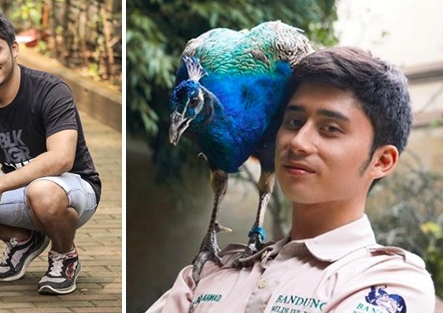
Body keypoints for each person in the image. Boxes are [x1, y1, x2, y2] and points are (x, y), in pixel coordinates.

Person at [147, 47, 436, 313]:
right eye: (294, 122)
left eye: (330, 128)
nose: (298, 142)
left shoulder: (386, 283)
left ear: (381, 161)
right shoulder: (208, 273)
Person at [0, 8, 101, 295]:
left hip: (73, 189)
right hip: (20, 187)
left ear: (14, 48)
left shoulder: (51, 90)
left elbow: (62, 158)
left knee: (43, 194)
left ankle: (64, 255)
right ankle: (23, 238)